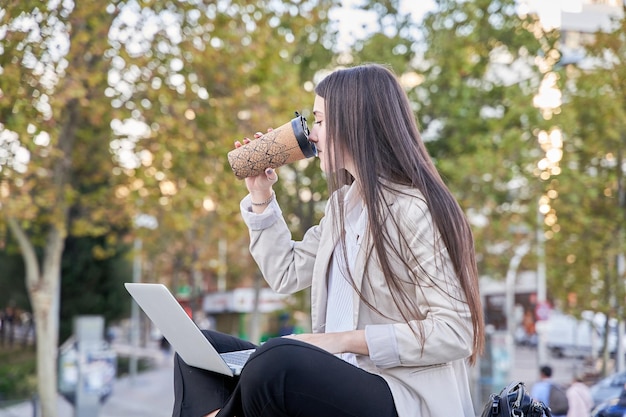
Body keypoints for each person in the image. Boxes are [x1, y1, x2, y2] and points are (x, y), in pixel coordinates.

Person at [172, 63, 485, 417]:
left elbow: (456, 331)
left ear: (354, 122)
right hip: (346, 378)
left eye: (319, 121)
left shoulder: (414, 210)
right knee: (199, 349)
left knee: (276, 362)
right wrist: (260, 196)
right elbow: (285, 273)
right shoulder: (342, 208)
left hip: (402, 394)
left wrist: (339, 341)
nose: (312, 134)